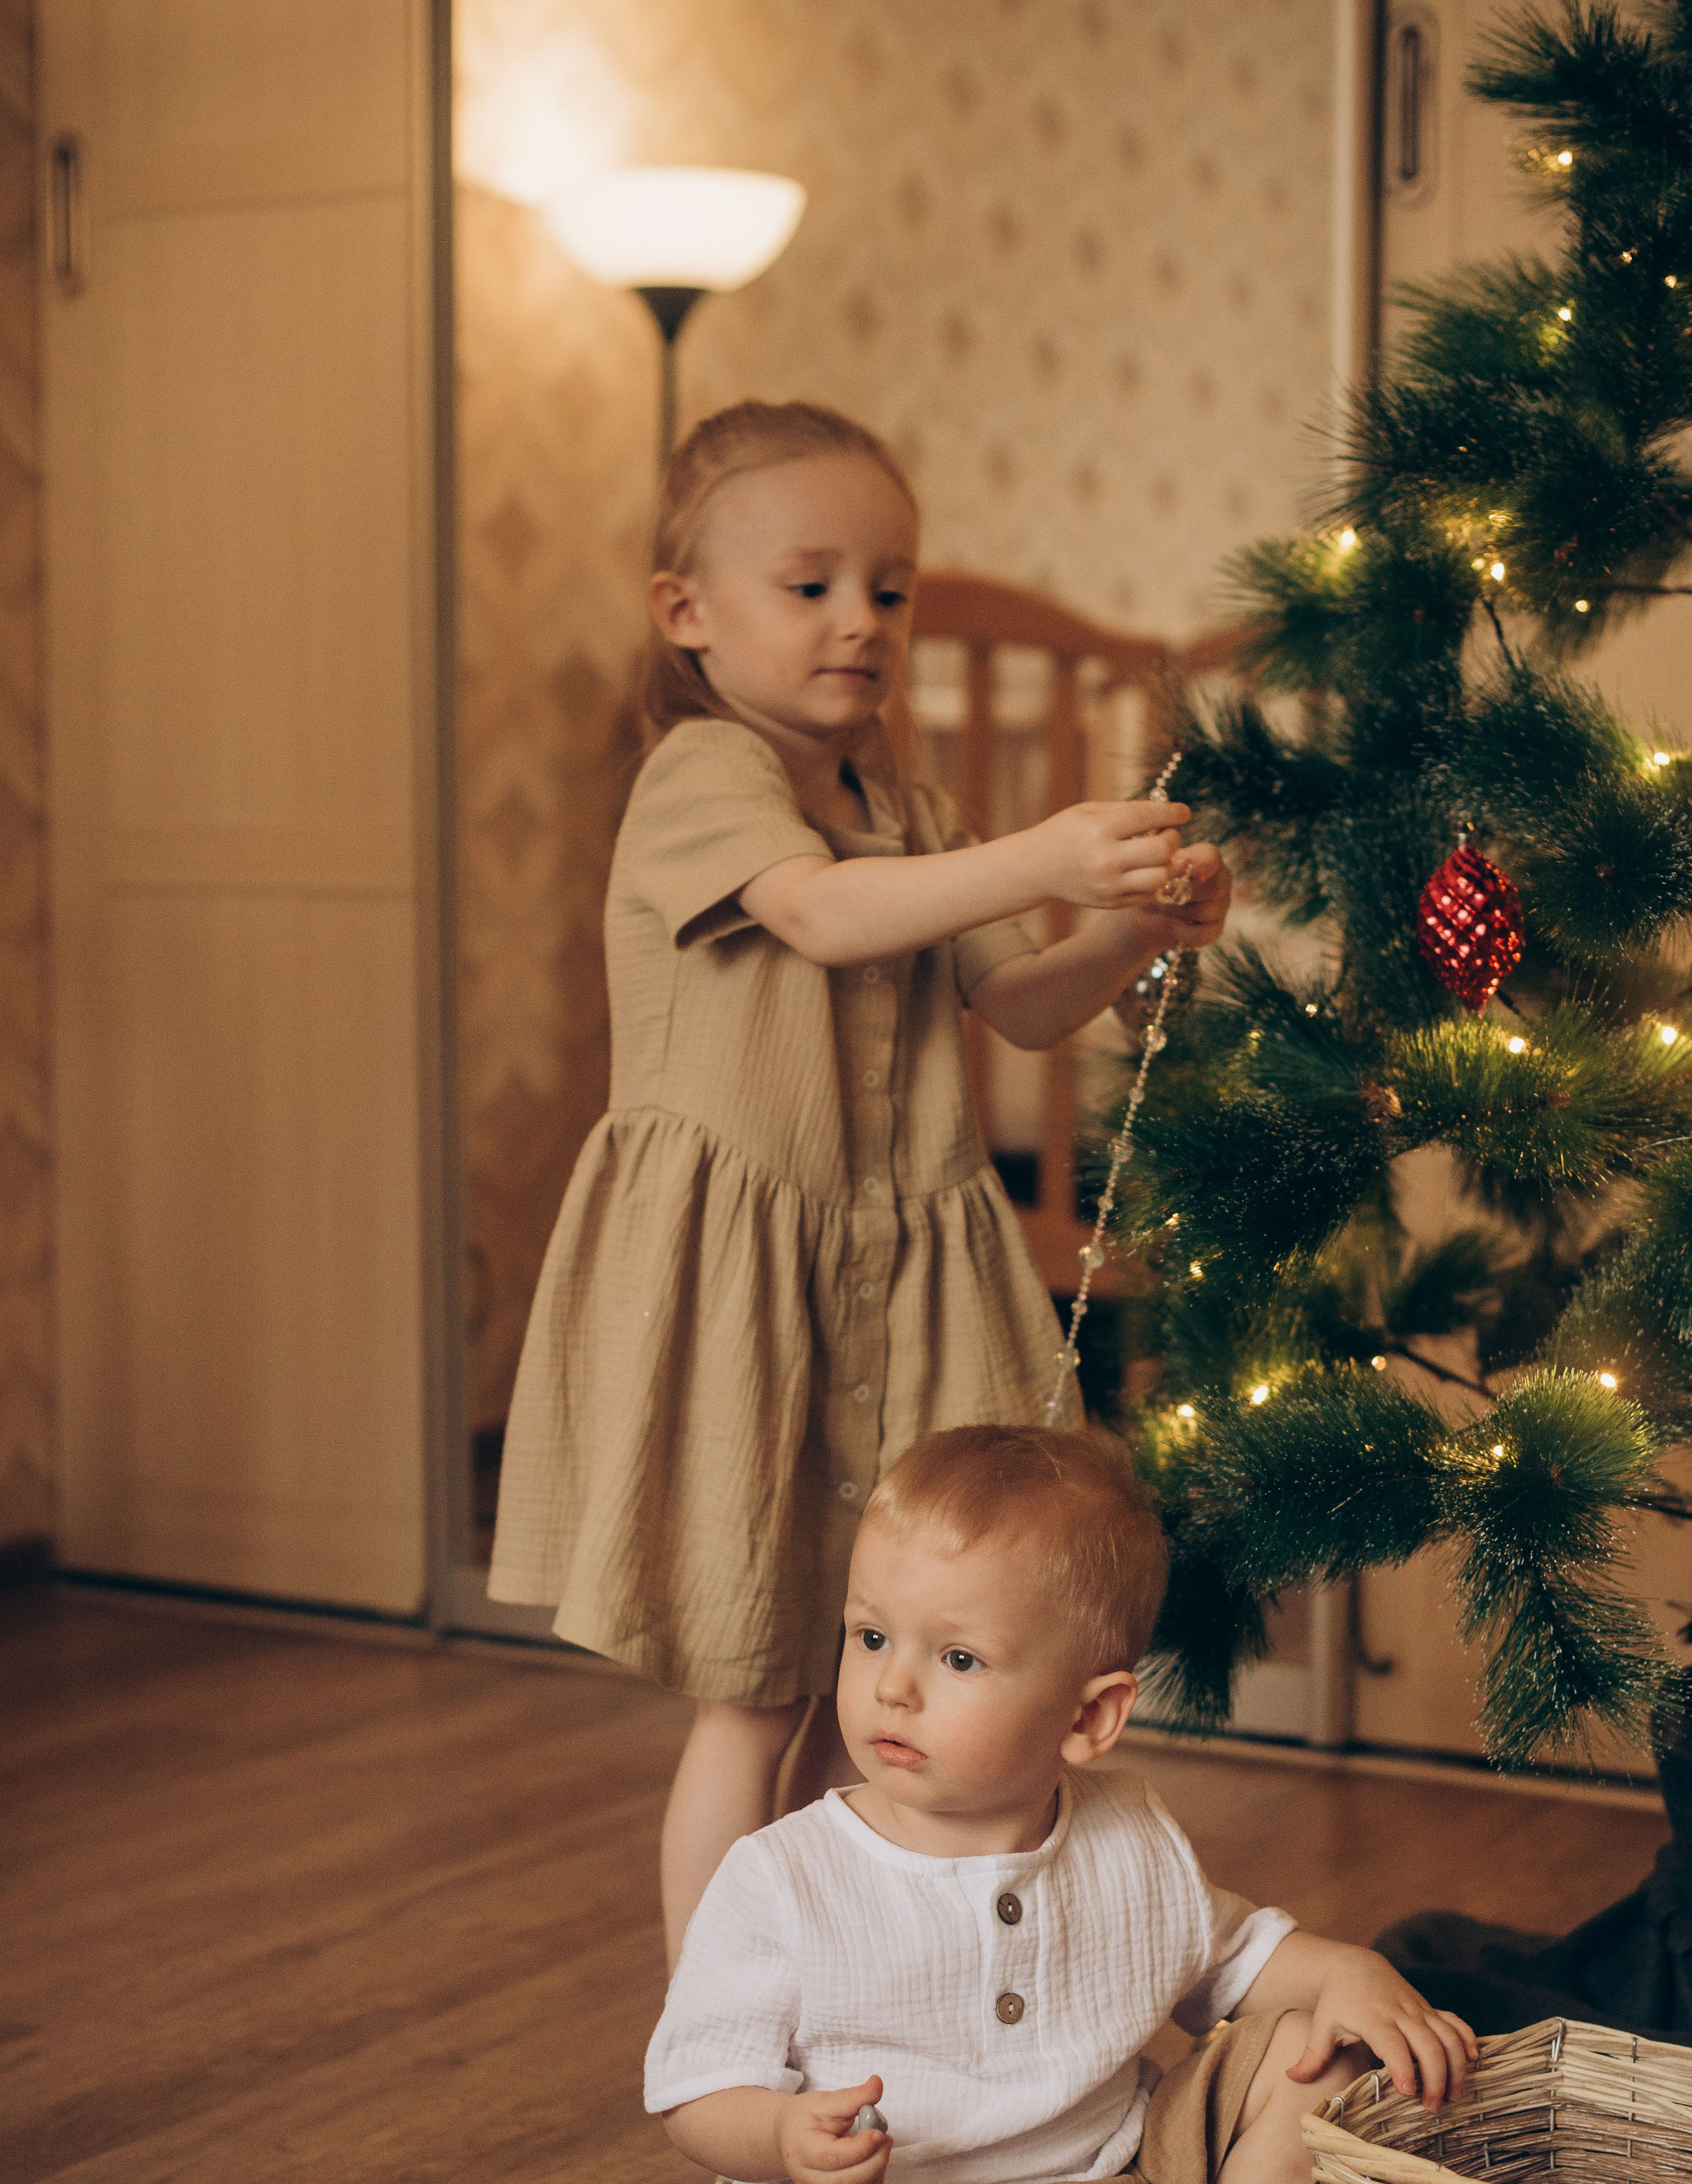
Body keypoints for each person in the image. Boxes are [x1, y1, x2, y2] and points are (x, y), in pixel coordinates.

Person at [487, 399, 1231, 1964]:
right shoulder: (697, 774)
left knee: (889, 1671)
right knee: (753, 1692)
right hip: (744, 1278)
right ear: (686, 615)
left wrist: (1125, 926)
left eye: (886, 589)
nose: (860, 623)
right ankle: (716, 2035)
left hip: (908, 1275)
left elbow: (1017, 1000)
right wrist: (1046, 855)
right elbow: (823, 920)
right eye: (809, 585)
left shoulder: (910, 809)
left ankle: (871, 1991)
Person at [645, 1426, 1477, 2184]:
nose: (891, 1683)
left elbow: (1234, 1956)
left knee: (1323, 2066)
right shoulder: (787, 1878)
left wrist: (1343, 1973)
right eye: (873, 1635)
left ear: (1088, 1719)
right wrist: (780, 2136)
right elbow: (696, 2094)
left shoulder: (1126, 1830)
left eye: (959, 1661)